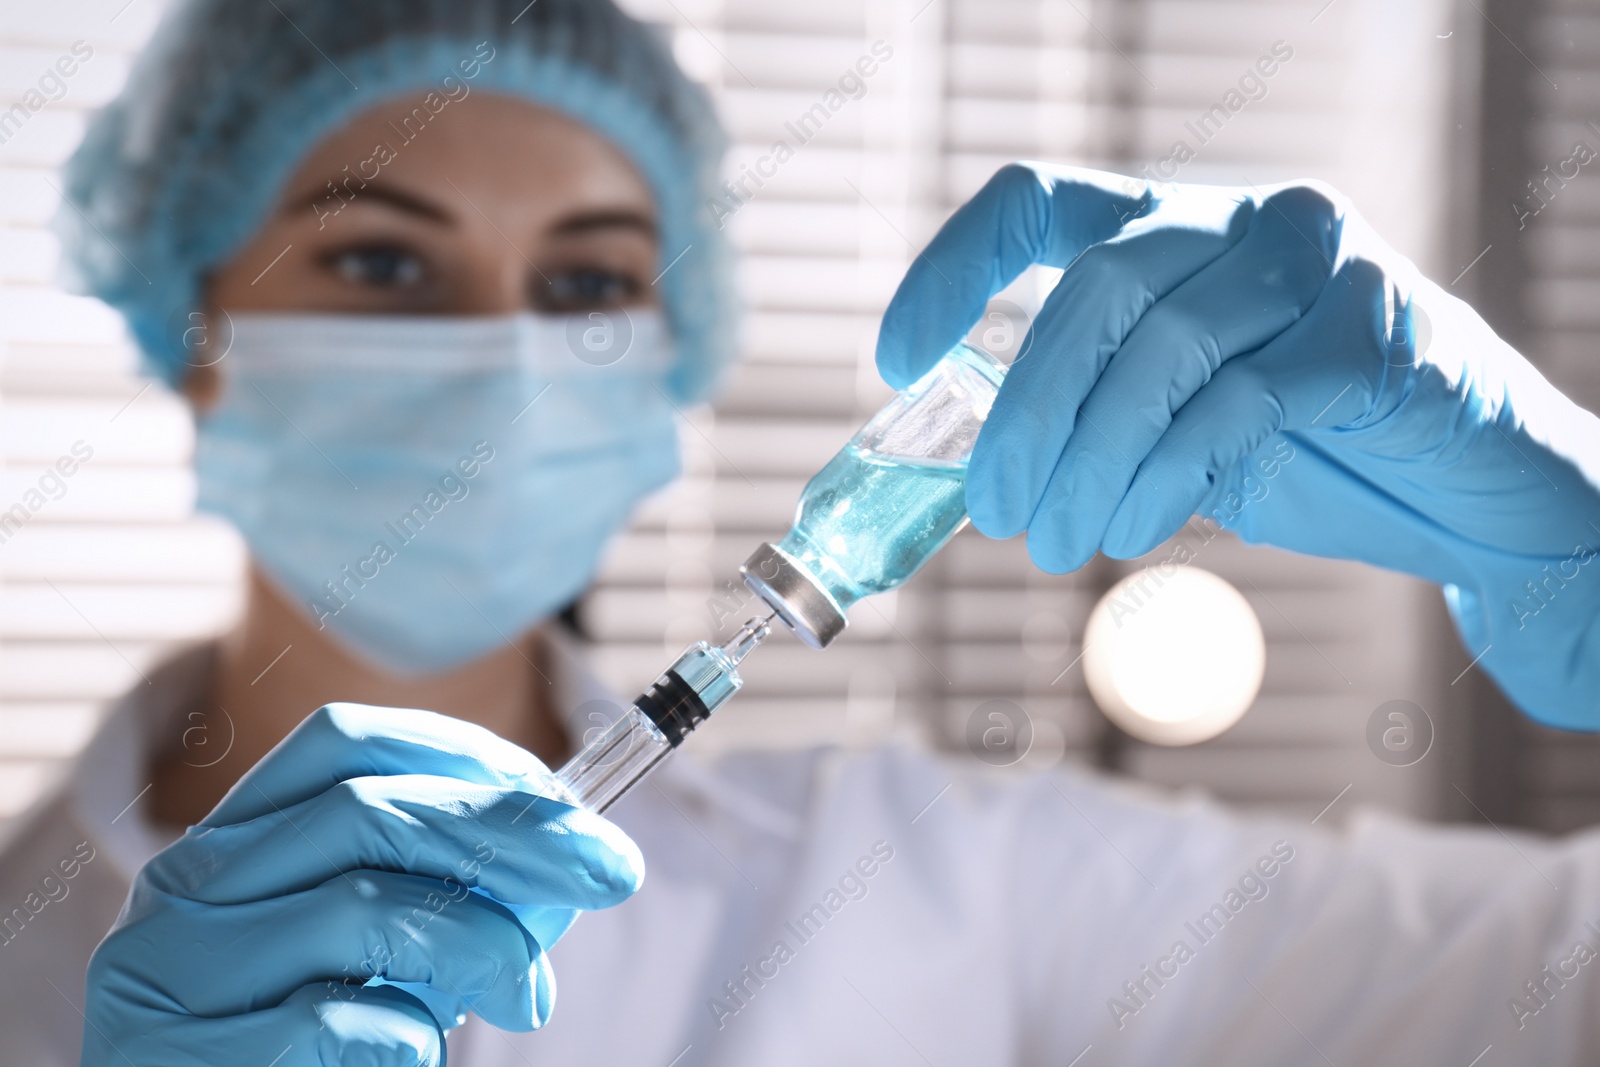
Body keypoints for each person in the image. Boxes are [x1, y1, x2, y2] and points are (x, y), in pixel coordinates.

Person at [1, 0, 1597, 1063]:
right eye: (383, 266)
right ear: (190, 317)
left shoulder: (937, 879)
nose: (501, 352)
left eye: (585, 286)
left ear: (672, 351)